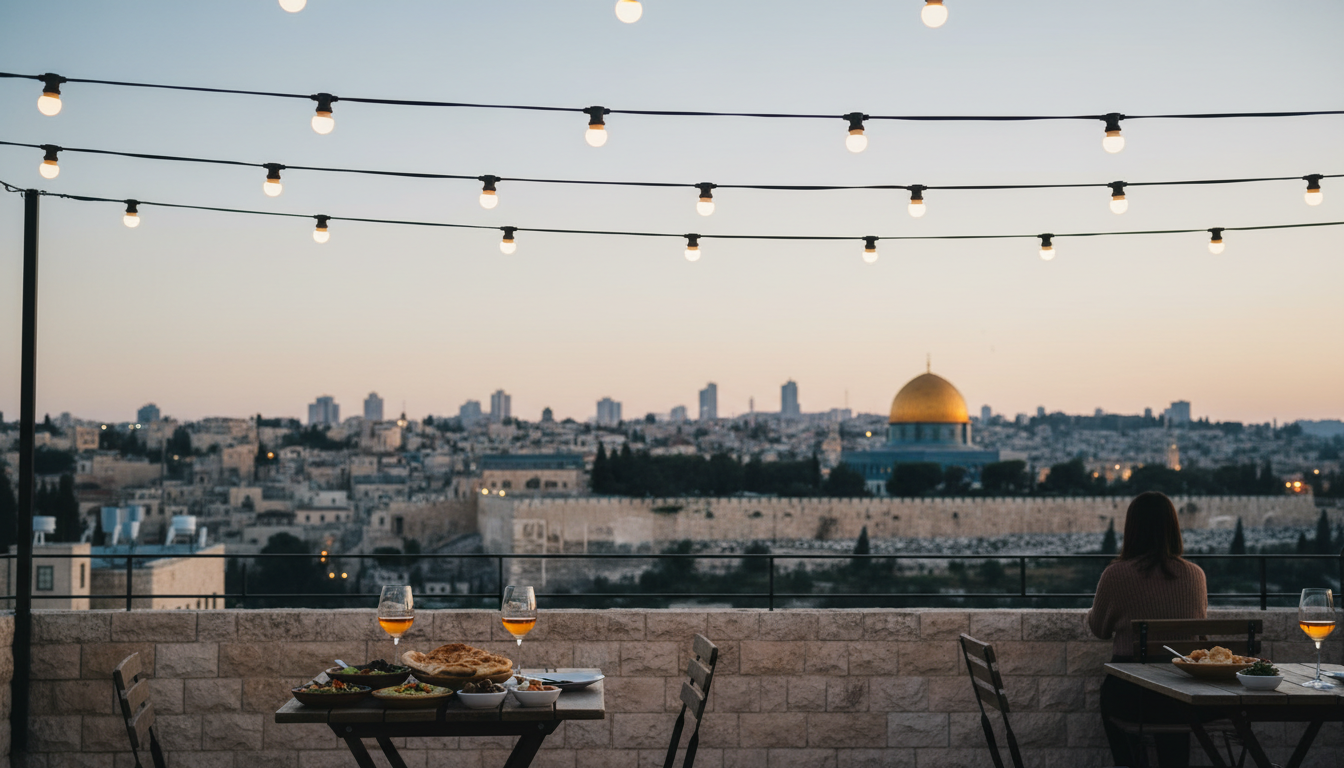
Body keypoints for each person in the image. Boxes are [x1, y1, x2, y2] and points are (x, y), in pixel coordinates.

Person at [1087, 491, 1207, 768]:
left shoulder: (1116, 575)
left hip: (1131, 697)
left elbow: (1099, 629)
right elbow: (1199, 636)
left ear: (1132, 529)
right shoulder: (1195, 575)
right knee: (1175, 708)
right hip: (1182, 696)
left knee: (1113, 700)